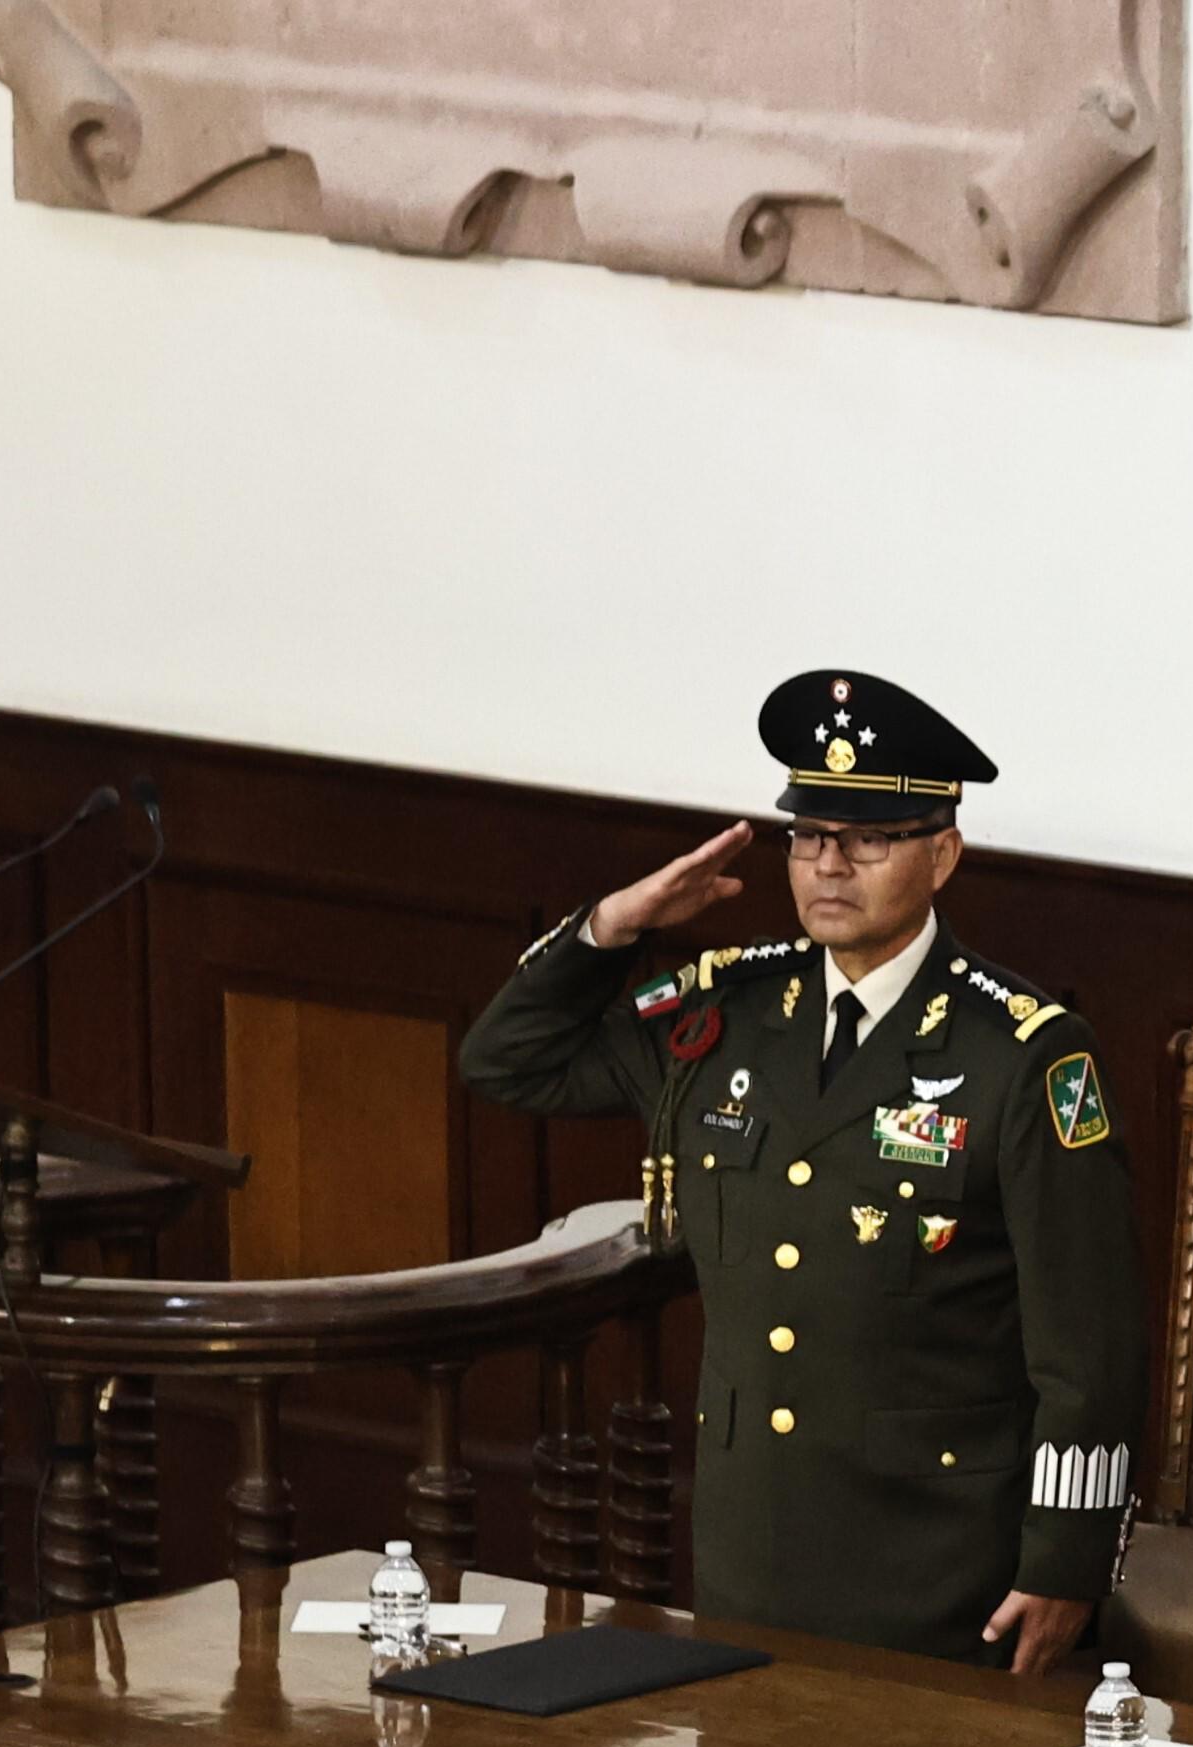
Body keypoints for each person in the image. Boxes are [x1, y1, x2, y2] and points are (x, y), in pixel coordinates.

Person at [458, 670, 1144, 1669]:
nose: (829, 865)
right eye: (809, 835)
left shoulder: (1022, 1052)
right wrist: (613, 925)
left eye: (868, 840)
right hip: (752, 1551)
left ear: (943, 853)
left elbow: (1089, 1348)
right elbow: (505, 1061)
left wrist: (1067, 1563)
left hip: (942, 1565)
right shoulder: (724, 1013)